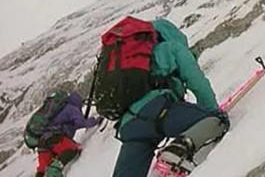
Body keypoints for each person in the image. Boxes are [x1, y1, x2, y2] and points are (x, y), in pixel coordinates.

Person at [112, 18, 230, 177]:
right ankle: (178, 150)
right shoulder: (171, 48)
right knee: (217, 120)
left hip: (129, 125)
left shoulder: (132, 60)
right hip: (159, 111)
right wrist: (212, 114)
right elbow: (198, 84)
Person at [35, 92, 100, 177]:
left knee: (43, 167)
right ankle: (54, 170)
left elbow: (71, 125)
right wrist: (95, 121)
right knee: (72, 149)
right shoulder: (72, 109)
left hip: (42, 141)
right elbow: (81, 123)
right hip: (55, 138)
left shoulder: (59, 110)